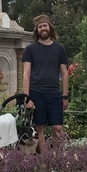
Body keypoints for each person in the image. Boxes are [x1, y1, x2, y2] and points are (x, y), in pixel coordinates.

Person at [22, 14, 69, 154]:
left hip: (54, 93)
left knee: (58, 128)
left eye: (45, 25)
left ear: (50, 28)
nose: (43, 28)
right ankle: (44, 159)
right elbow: (26, 73)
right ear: (37, 30)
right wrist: (27, 97)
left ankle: (56, 156)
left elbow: (65, 73)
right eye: (40, 26)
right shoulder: (30, 49)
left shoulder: (59, 48)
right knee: (39, 127)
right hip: (36, 92)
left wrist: (65, 96)